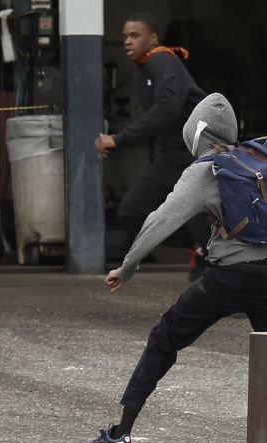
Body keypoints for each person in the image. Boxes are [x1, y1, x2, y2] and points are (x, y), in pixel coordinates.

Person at [85, 92, 267, 443]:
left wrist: (127, 266)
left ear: (196, 132)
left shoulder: (205, 170)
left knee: (165, 337)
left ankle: (120, 433)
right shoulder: (263, 162)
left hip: (229, 279)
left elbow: (160, 219)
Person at [94, 12, 208, 280]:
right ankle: (201, 248)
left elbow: (167, 109)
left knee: (199, 213)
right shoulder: (143, 66)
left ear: (153, 38)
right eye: (124, 37)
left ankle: (218, 266)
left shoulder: (162, 59)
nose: (127, 42)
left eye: (135, 36)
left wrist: (118, 139)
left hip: (199, 154)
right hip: (173, 156)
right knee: (132, 211)